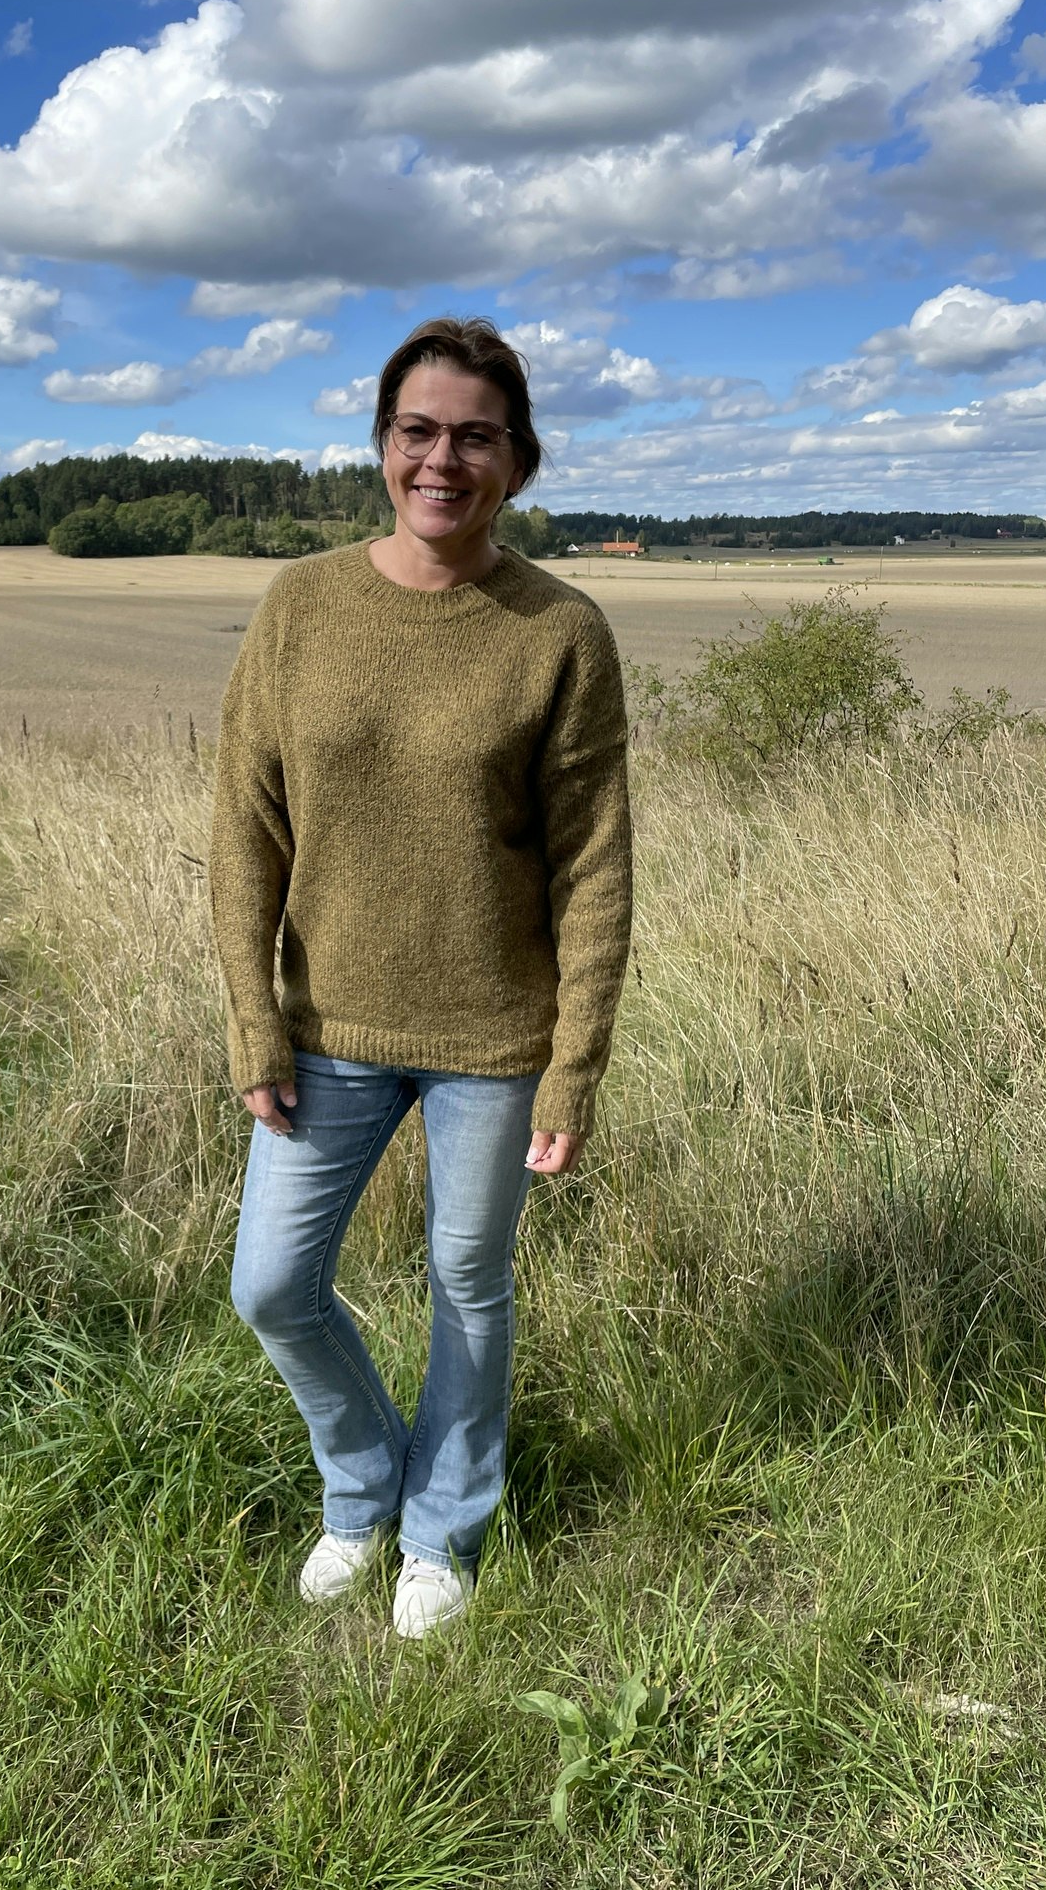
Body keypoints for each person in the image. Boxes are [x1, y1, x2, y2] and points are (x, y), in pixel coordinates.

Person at [208, 316, 633, 1639]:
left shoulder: (560, 630)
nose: (442, 458)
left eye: (474, 436)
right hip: (325, 1023)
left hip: (495, 1036)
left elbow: (595, 862)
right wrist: (254, 1020)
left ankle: (443, 1528)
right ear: (383, 447)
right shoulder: (301, 607)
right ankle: (362, 1488)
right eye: (418, 431)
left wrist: (576, 1056)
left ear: (518, 460)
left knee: (468, 1280)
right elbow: (244, 825)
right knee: (270, 1284)